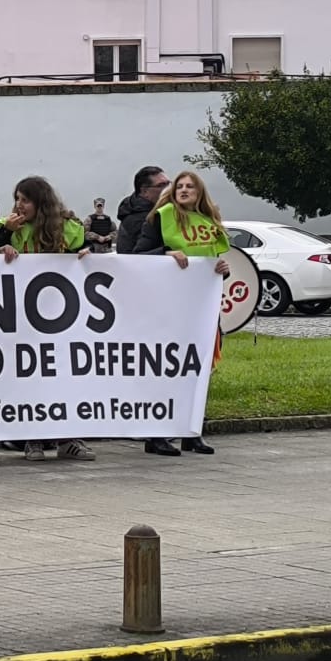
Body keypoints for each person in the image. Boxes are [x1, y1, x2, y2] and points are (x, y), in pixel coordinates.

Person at [131, 168, 231, 457]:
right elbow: (137, 256)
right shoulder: (160, 219)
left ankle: (192, 431)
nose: (184, 190)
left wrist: (221, 270)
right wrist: (165, 254)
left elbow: (210, 263)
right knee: (165, 369)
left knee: (199, 370)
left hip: (202, 309)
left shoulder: (209, 223)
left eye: (190, 187)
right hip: (167, 308)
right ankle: (157, 435)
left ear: (200, 193)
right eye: (179, 187)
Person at [0, 176, 94, 463]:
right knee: (30, 377)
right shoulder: (10, 227)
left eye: (25, 199)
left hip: (60, 317)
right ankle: (33, 437)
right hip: (22, 317)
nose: (18, 205)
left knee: (62, 375)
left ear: (40, 202)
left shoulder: (70, 228)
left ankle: (67, 438)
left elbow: (84, 257)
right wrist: (2, 241)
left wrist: (87, 255)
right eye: (16, 199)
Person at [116, 165, 168, 256]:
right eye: (161, 185)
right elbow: (140, 255)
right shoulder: (140, 219)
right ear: (144, 191)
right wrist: (166, 252)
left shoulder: (159, 210)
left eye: (168, 183)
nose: (169, 189)